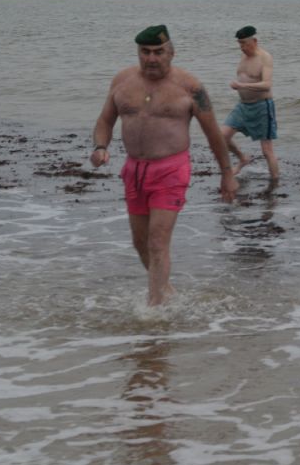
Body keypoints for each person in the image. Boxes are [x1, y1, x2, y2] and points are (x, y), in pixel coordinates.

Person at [91, 25, 238, 305]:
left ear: (171, 53)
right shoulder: (122, 81)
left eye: (158, 52)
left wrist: (227, 173)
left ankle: (154, 309)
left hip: (171, 170)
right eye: (145, 52)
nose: (151, 58)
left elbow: (213, 135)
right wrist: (100, 147)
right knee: (140, 243)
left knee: (157, 241)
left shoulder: (190, 87)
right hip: (134, 170)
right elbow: (105, 121)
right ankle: (165, 290)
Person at [221, 25, 279, 181]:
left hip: (262, 106)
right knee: (222, 136)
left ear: (254, 41)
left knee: (267, 150)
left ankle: (275, 181)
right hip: (243, 106)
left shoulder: (265, 57)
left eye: (244, 43)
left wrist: (242, 86)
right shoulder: (243, 57)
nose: (241, 47)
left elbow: (267, 84)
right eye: (239, 43)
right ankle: (243, 158)